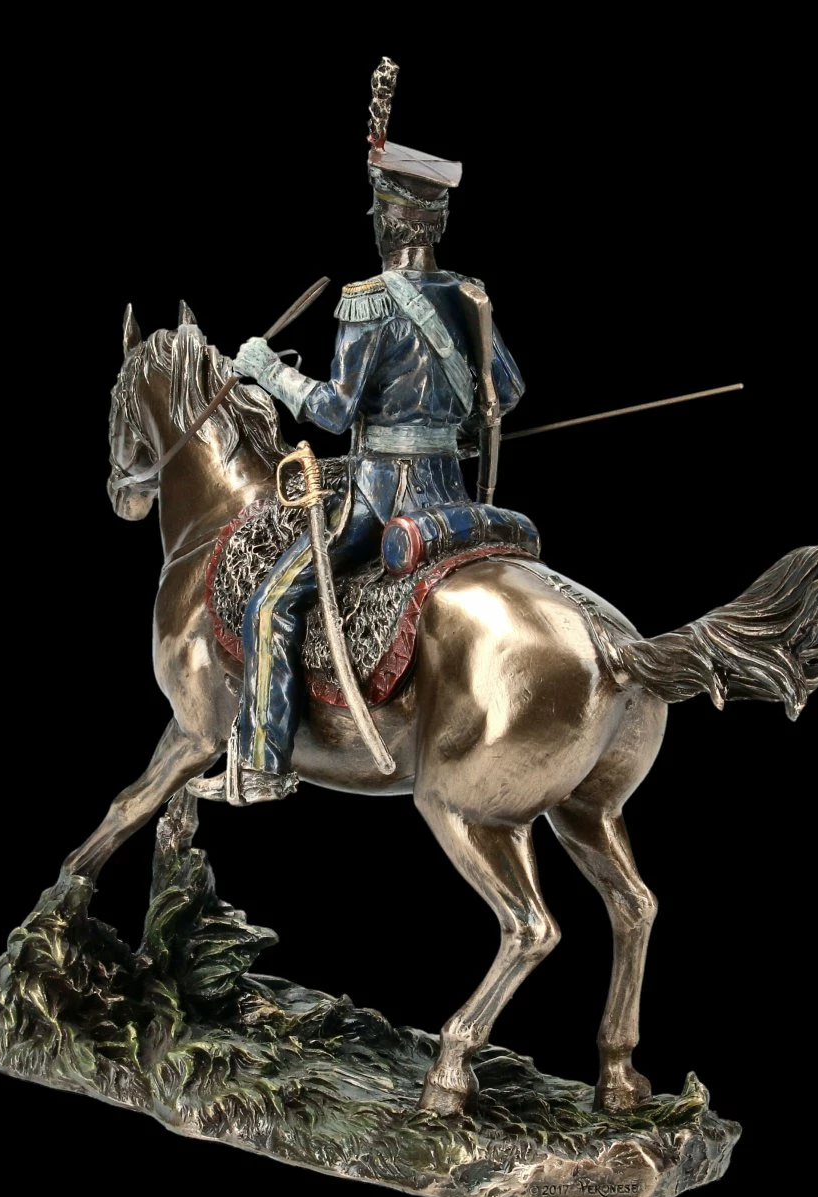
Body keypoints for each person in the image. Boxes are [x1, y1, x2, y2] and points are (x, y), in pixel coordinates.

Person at [207, 72, 526, 805]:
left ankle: (263, 764)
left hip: (380, 502)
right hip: (450, 495)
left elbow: (333, 410)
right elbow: (505, 393)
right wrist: (451, 428)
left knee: (271, 604)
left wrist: (266, 371)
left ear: (388, 220)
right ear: (434, 225)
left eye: (377, 210)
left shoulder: (368, 304)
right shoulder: (470, 298)